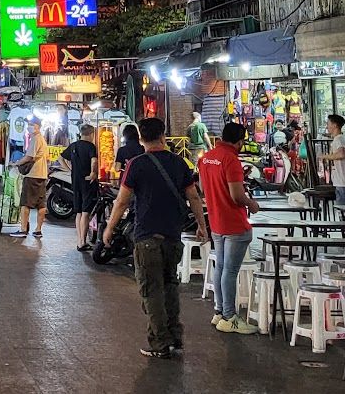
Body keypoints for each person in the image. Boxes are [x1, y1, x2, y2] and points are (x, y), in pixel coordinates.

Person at [103, 118, 210, 360]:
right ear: (163, 135)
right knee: (170, 286)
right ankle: (175, 337)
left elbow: (122, 201)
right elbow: (194, 197)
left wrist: (109, 228)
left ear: (140, 139)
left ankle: (160, 343)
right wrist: (201, 226)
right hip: (173, 236)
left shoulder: (136, 165)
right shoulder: (179, 163)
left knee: (152, 291)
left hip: (147, 237)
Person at [196, 121, 260, 333]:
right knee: (230, 271)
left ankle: (219, 312)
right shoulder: (231, 160)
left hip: (216, 221)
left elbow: (203, 189)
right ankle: (230, 316)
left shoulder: (206, 158)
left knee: (221, 268)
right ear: (239, 141)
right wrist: (252, 204)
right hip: (234, 223)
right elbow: (237, 195)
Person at [62, 124, 100, 251]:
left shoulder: (74, 145)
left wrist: (69, 170)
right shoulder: (91, 146)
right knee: (85, 213)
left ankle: (79, 241)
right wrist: (93, 173)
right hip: (87, 182)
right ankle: (83, 242)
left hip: (75, 182)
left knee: (78, 212)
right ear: (91, 134)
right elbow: (94, 161)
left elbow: (60, 157)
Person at [14, 117, 50, 239]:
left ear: (37, 126)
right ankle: (38, 230)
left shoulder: (35, 139)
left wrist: (17, 163)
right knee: (41, 204)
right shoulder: (43, 139)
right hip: (42, 175)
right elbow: (47, 158)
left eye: (30, 124)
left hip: (32, 175)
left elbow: (29, 157)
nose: (28, 126)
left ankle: (23, 229)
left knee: (25, 203)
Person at [317, 114, 345, 205]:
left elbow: (341, 154)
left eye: (328, 124)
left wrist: (325, 156)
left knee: (344, 211)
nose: (327, 126)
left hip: (342, 181)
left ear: (335, 125)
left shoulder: (338, 139)